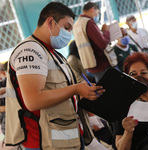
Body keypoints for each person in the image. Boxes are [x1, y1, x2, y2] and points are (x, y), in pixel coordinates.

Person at [5, 2, 105, 150]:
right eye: (66, 27)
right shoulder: (30, 50)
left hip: (63, 138)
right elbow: (33, 100)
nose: (69, 33)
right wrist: (75, 89)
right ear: (50, 22)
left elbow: (60, 91)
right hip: (43, 142)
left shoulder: (51, 53)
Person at [67, 40, 117, 150]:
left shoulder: (79, 58)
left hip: (88, 86)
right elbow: (77, 79)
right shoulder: (72, 60)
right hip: (83, 90)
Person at [73, 2, 111, 83]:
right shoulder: (88, 22)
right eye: (97, 13)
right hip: (100, 64)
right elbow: (102, 44)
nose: (97, 16)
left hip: (89, 64)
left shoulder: (76, 24)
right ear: (93, 9)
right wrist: (106, 31)